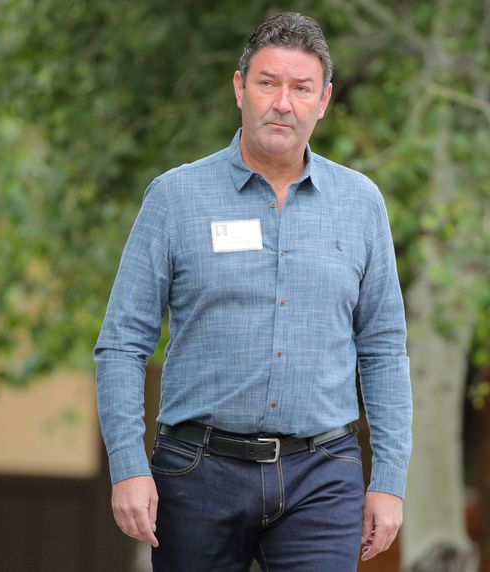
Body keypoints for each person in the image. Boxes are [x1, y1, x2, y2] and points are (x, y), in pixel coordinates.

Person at [93, 11, 412, 572]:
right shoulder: (175, 199)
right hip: (197, 472)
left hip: (323, 473)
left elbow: (384, 348)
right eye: (268, 83)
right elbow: (121, 343)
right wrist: (127, 465)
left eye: (300, 88)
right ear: (240, 88)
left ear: (324, 100)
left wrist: (388, 480)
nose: (282, 102)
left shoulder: (362, 204)